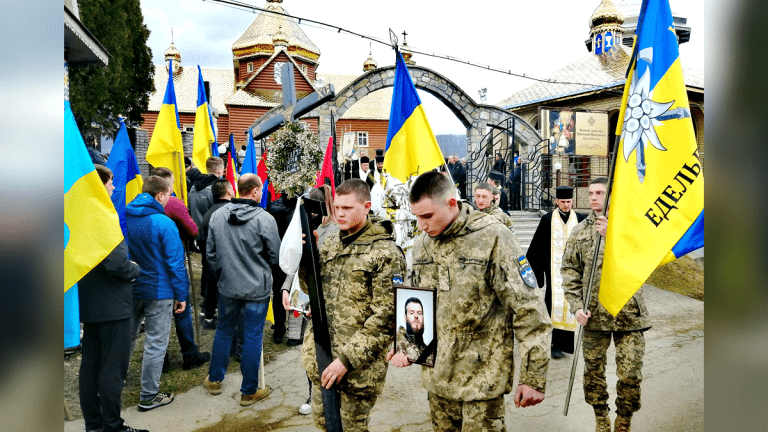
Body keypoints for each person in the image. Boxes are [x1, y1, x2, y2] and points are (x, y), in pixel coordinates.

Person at [388, 171, 551, 431]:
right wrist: (409, 347)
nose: (420, 225)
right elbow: (418, 302)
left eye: (427, 216)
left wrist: (533, 377)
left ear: (451, 203)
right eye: (416, 216)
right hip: (438, 380)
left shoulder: (493, 237)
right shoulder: (422, 245)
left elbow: (528, 310)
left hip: (482, 383)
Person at [300, 179, 406, 431]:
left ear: (367, 206)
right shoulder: (330, 242)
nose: (340, 213)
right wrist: (306, 260)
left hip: (357, 370)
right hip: (322, 358)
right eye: (336, 207)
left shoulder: (386, 253)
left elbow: (385, 318)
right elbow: (311, 291)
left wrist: (345, 360)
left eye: (347, 208)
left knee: (350, 428)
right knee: (324, 424)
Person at [561, 177, 651, 432]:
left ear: (612, 195)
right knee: (594, 375)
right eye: (590, 192)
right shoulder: (579, 231)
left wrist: (614, 238)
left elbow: (646, 264)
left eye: (600, 192)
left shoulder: (632, 228)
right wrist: (576, 306)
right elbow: (569, 271)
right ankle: (601, 419)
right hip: (594, 316)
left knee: (630, 374)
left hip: (629, 315)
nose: (593, 197)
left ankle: (624, 421)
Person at [203, 173, 281, 406]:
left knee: (224, 330)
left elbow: (211, 255)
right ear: (256, 191)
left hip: (229, 286)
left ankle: (215, 379)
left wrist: (225, 273)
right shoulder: (264, 219)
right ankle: (248, 391)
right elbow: (275, 255)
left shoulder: (218, 216)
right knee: (252, 336)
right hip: (256, 287)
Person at [79, 165, 147, 432]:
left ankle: (94, 426)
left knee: (91, 366)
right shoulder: (101, 216)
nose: (114, 188)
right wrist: (135, 268)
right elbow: (117, 263)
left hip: (90, 300)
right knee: (111, 369)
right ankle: (113, 425)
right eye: (110, 183)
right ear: (99, 185)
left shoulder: (79, 215)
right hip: (113, 304)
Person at [125, 176, 188, 412]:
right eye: (169, 194)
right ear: (160, 195)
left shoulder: (124, 216)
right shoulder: (163, 222)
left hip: (130, 288)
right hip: (159, 291)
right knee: (155, 344)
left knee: (125, 339)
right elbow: (175, 263)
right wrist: (181, 294)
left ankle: (113, 384)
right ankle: (149, 395)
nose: (170, 199)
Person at [280, 184, 340, 416]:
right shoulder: (304, 227)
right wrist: (286, 288)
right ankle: (312, 393)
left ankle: (329, 395)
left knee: (327, 351)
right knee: (310, 352)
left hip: (325, 301)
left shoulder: (334, 231)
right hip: (305, 298)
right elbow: (297, 260)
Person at [150, 167, 211, 371]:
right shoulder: (174, 203)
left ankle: (162, 359)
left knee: (158, 316)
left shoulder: (140, 203)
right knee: (182, 311)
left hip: (151, 266)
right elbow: (193, 229)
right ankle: (189, 355)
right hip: (174, 261)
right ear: (166, 185)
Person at [526, 185, 587, 359]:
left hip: (574, 273)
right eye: (563, 202)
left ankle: (566, 344)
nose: (566, 205)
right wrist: (537, 273)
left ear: (572, 201)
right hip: (553, 271)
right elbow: (537, 247)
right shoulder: (547, 219)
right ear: (556, 201)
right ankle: (554, 344)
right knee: (553, 304)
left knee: (570, 305)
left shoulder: (580, 219)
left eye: (569, 202)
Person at [198, 178, 235, 329]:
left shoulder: (208, 213)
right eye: (232, 187)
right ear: (228, 191)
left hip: (210, 258)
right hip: (225, 260)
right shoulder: (230, 212)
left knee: (210, 286)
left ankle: (208, 315)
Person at [395, 297, 434, 365]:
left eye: (419, 313)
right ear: (405, 318)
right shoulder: (396, 345)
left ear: (423, 319)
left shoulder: (431, 351)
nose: (416, 316)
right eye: (412, 313)